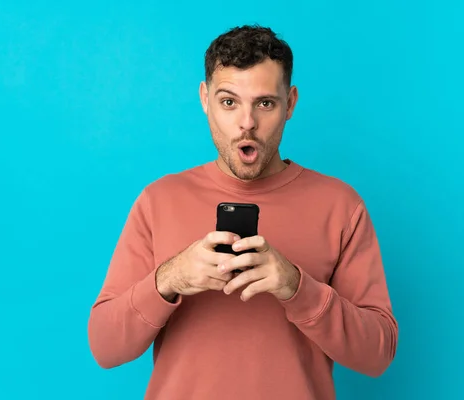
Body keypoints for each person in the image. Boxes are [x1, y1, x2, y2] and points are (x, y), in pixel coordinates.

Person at [87, 24, 398, 400]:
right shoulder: (159, 200)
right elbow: (105, 347)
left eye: (264, 103)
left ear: (291, 103)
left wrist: (297, 287)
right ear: (205, 99)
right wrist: (169, 278)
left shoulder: (340, 205)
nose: (246, 123)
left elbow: (378, 354)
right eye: (229, 101)